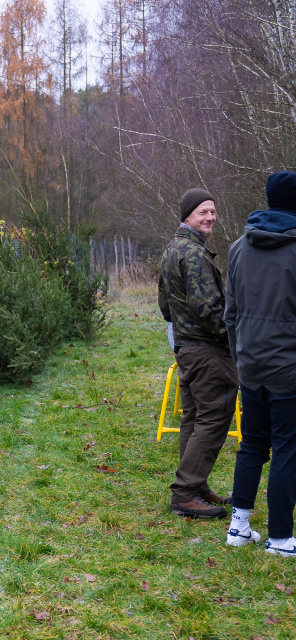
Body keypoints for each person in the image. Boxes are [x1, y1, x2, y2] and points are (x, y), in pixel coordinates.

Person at [224, 170, 296, 555]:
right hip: (288, 371)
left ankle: (239, 527)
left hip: (250, 366)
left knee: (252, 445)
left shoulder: (238, 247)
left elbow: (229, 315)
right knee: (288, 448)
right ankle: (281, 537)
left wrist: (241, 360)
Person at [158, 188, 237, 519]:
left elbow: (165, 307)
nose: (210, 218)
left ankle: (195, 484)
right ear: (187, 215)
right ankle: (186, 492)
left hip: (187, 349)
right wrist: (236, 337)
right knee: (214, 416)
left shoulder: (172, 250)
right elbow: (210, 310)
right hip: (207, 351)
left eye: (213, 212)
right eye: (203, 212)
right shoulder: (194, 255)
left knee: (193, 416)